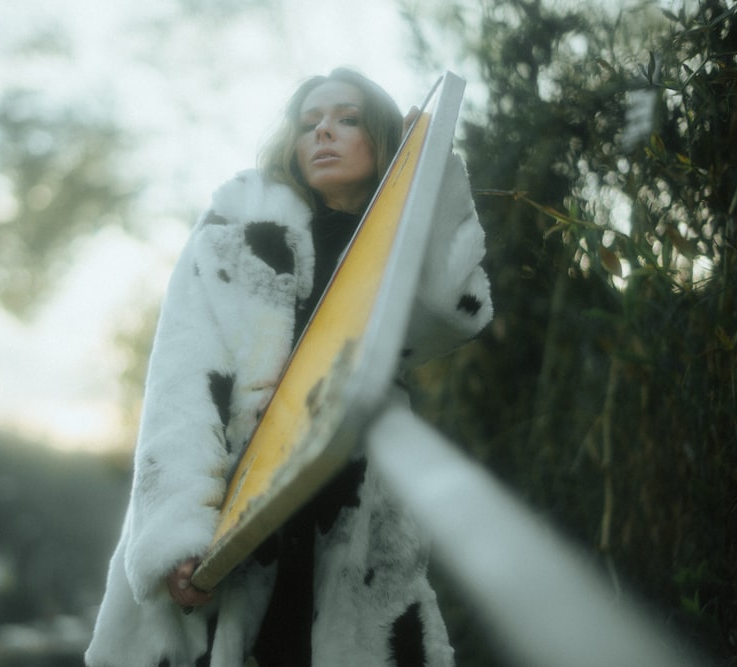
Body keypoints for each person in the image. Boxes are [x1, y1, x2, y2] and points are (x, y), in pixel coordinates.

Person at [86, 68, 493, 667]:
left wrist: (429, 171)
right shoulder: (237, 229)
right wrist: (180, 529)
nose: (324, 132)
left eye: (348, 119)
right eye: (309, 123)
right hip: (235, 513)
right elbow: (182, 380)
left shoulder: (399, 238)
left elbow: (453, 310)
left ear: (381, 136)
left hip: (356, 517)